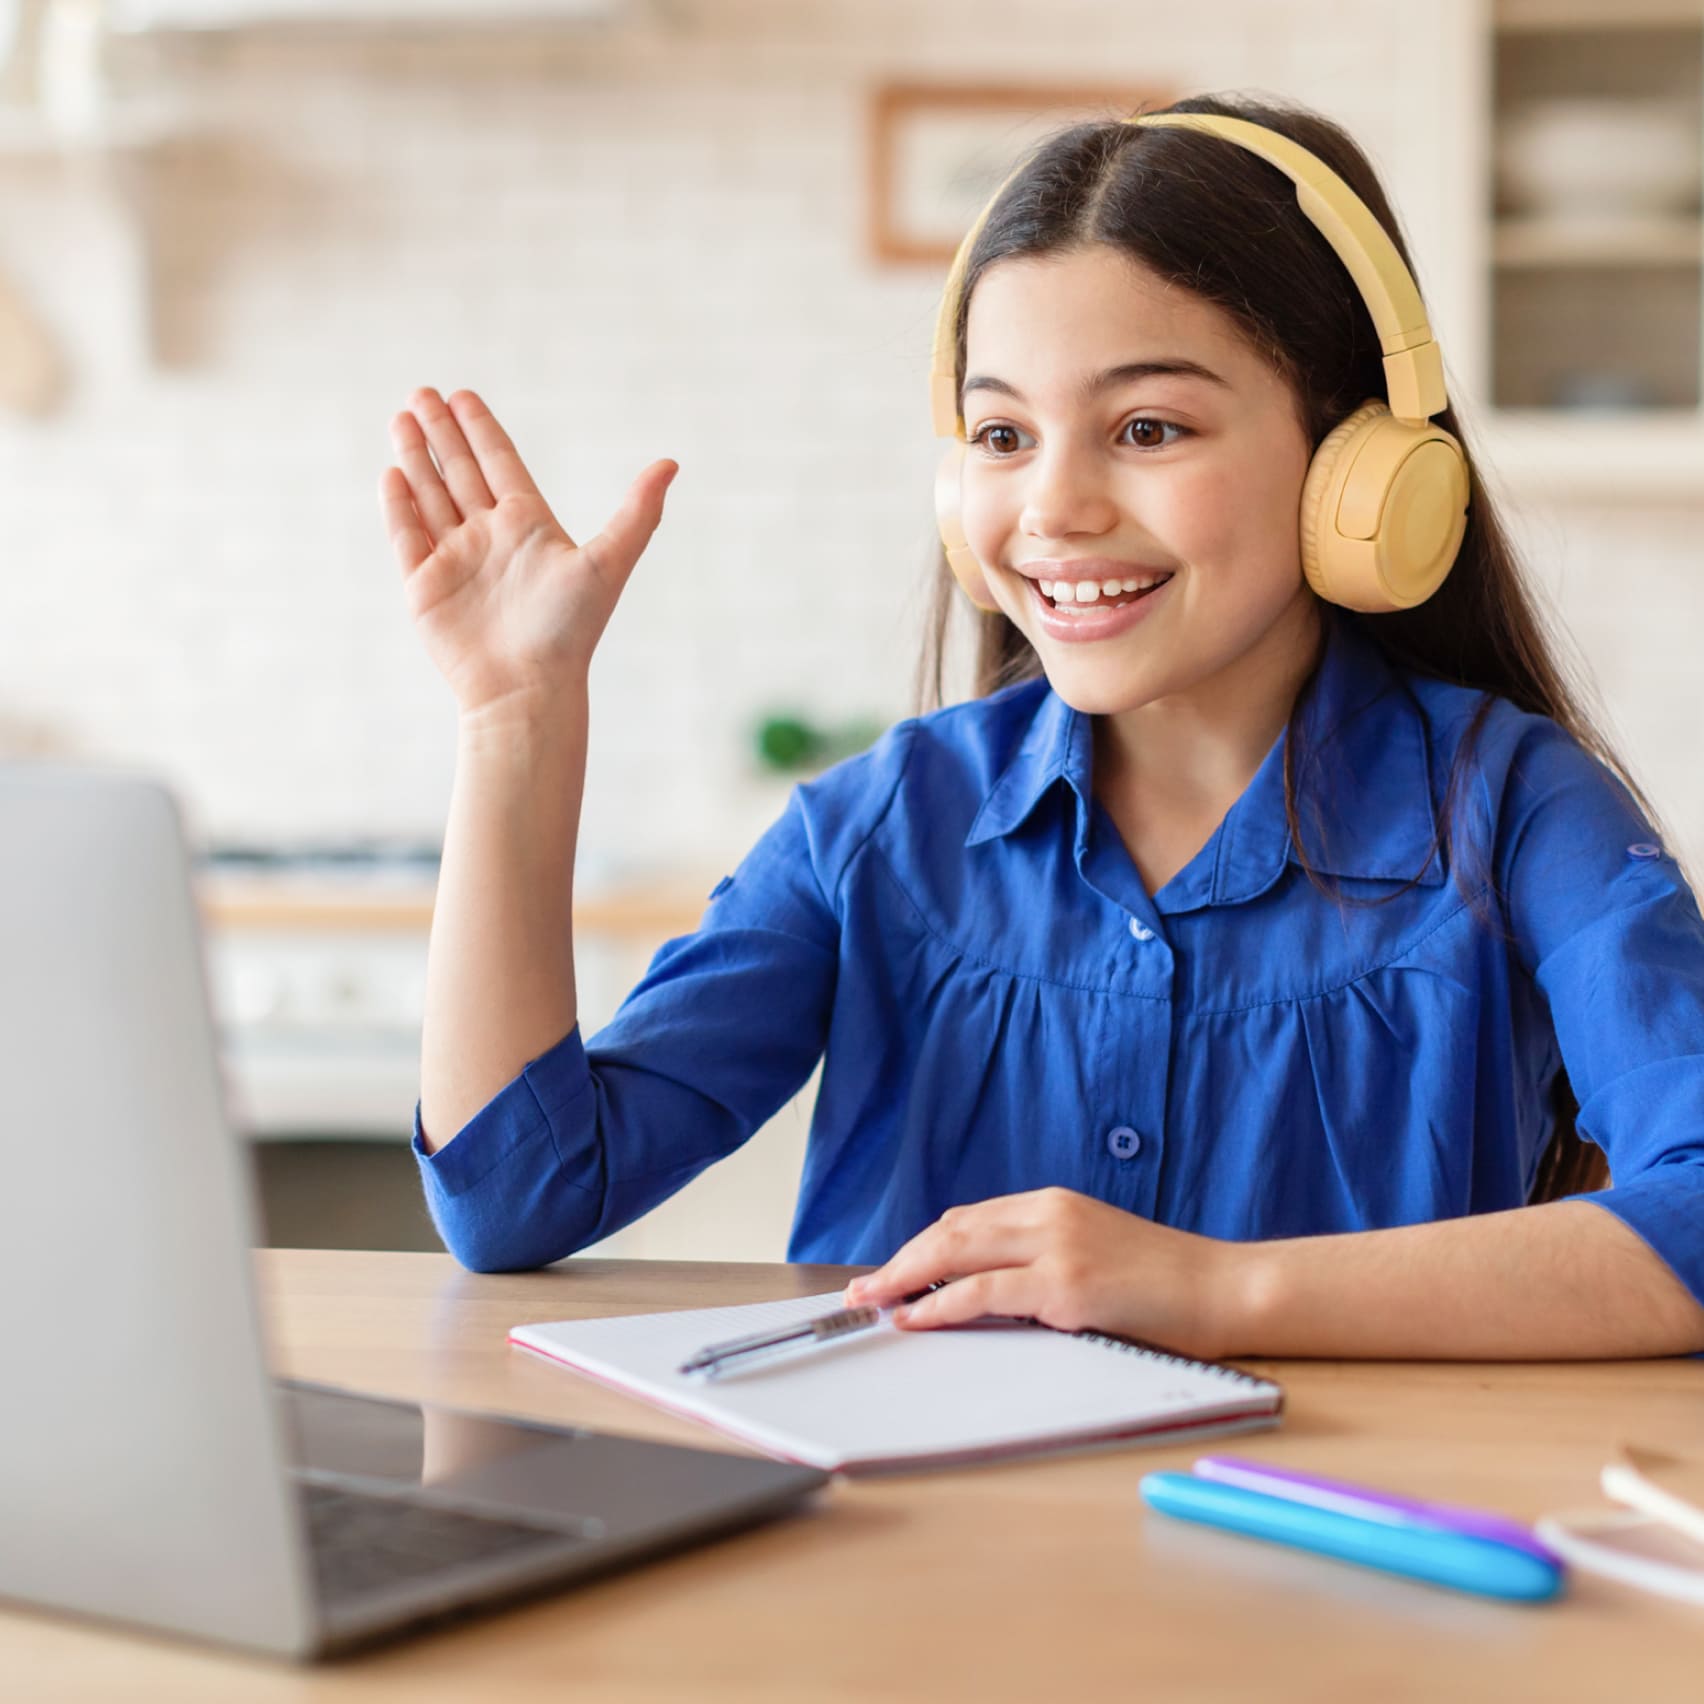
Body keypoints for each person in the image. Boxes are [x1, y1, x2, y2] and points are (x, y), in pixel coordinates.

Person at [379, 93, 1704, 1362]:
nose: (1052, 509)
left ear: (1355, 464)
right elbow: (517, 1198)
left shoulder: (1518, 810)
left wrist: (1213, 1287)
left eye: (1145, 426)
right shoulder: (881, 830)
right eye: (1003, 432)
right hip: (915, 1573)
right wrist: (517, 720)